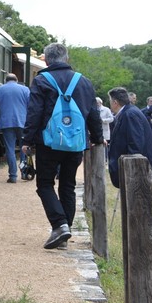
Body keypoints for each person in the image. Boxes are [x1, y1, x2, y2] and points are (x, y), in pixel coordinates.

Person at [22, 43, 102, 249]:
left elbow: (34, 113)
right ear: (66, 59)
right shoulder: (83, 81)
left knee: (45, 185)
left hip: (49, 143)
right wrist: (97, 138)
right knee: (68, 186)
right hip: (75, 143)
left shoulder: (41, 80)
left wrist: (27, 140)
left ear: (47, 60)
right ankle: (63, 231)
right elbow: (93, 113)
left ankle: (60, 226)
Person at [106, 87, 152, 247]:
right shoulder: (128, 112)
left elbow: (136, 141)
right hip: (136, 165)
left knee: (143, 198)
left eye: (110, 101)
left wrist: (132, 167)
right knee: (145, 198)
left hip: (138, 166)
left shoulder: (130, 114)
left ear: (115, 102)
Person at [0, 73, 30, 183]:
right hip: (22, 123)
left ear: (6, 80)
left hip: (6, 124)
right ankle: (24, 173)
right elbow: (31, 107)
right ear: (16, 80)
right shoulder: (25, 90)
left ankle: (13, 176)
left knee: (10, 149)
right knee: (24, 147)